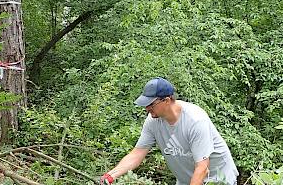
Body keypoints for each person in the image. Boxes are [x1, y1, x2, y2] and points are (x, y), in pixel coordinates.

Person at [99, 77, 239, 185]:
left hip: (218, 179)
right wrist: (110, 176)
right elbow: (137, 154)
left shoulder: (195, 121)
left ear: (166, 100)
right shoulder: (153, 121)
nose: (147, 108)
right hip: (187, 180)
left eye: (151, 104)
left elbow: (202, 167)